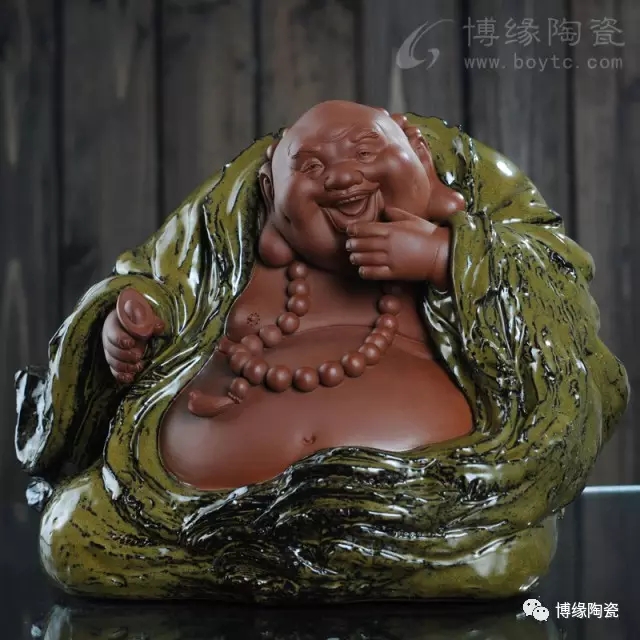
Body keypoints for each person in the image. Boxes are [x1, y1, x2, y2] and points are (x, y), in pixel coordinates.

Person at [15, 101, 628, 602]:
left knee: (495, 557)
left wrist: (446, 256)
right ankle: (274, 559)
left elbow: (560, 292)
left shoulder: (468, 201)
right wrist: (122, 328)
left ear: (417, 150)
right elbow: (153, 284)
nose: (341, 177)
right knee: (74, 537)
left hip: (424, 514)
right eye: (310, 166)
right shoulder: (225, 230)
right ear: (269, 185)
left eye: (365, 152)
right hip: (186, 519)